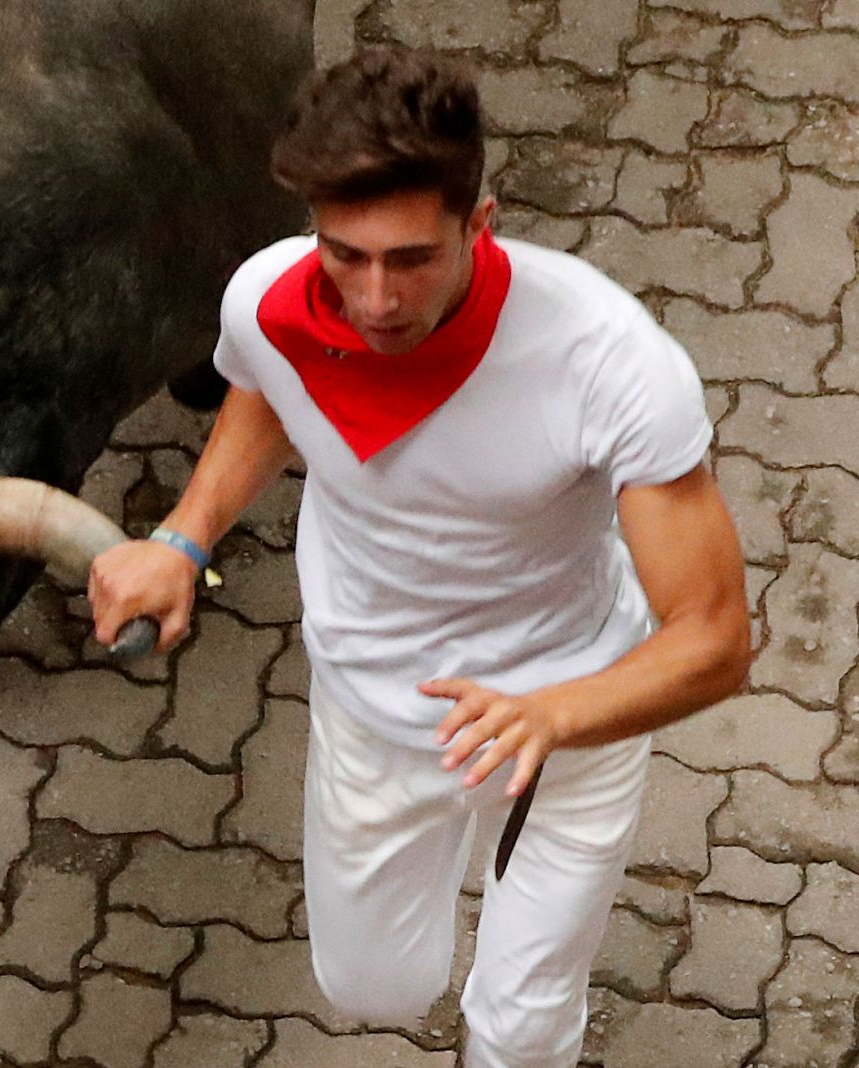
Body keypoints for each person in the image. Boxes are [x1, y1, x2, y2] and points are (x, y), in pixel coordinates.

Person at [87, 44, 750, 1068]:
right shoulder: (265, 298)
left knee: (520, 1025)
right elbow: (266, 390)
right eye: (344, 256)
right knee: (372, 982)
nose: (374, 299)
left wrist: (552, 713)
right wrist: (183, 535)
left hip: (565, 726)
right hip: (373, 711)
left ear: (476, 226)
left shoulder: (605, 360)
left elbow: (713, 640)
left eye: (410, 259)